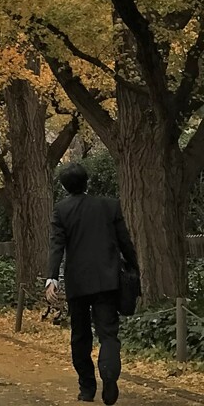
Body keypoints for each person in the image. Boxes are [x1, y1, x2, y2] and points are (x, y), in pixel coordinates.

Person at [46, 163, 138, 406]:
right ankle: (109, 376)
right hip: (107, 280)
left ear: (65, 187)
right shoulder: (109, 206)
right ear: (87, 182)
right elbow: (125, 242)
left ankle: (87, 388)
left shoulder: (61, 210)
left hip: (78, 282)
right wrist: (135, 267)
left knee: (80, 335)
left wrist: (52, 278)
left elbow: (57, 246)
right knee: (108, 333)